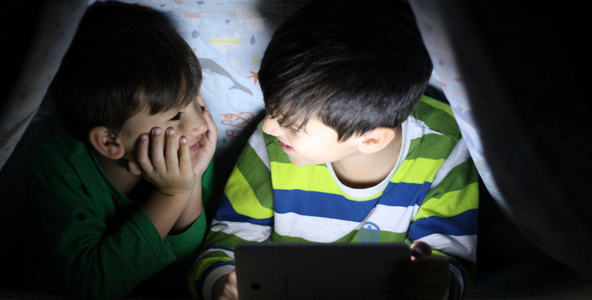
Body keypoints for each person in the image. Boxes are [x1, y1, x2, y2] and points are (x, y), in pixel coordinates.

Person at [190, 0, 478, 299]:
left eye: (293, 125)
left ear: (370, 140)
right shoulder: (275, 142)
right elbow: (224, 247)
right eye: (271, 108)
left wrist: (435, 286)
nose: (268, 127)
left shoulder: (443, 144)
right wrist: (222, 284)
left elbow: (451, 264)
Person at [26, 2, 217, 299]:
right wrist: (173, 194)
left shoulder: (192, 149)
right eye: (175, 116)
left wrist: (191, 180)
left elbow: (184, 274)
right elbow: (95, 286)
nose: (200, 126)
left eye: (195, 103)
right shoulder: (58, 165)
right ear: (110, 142)